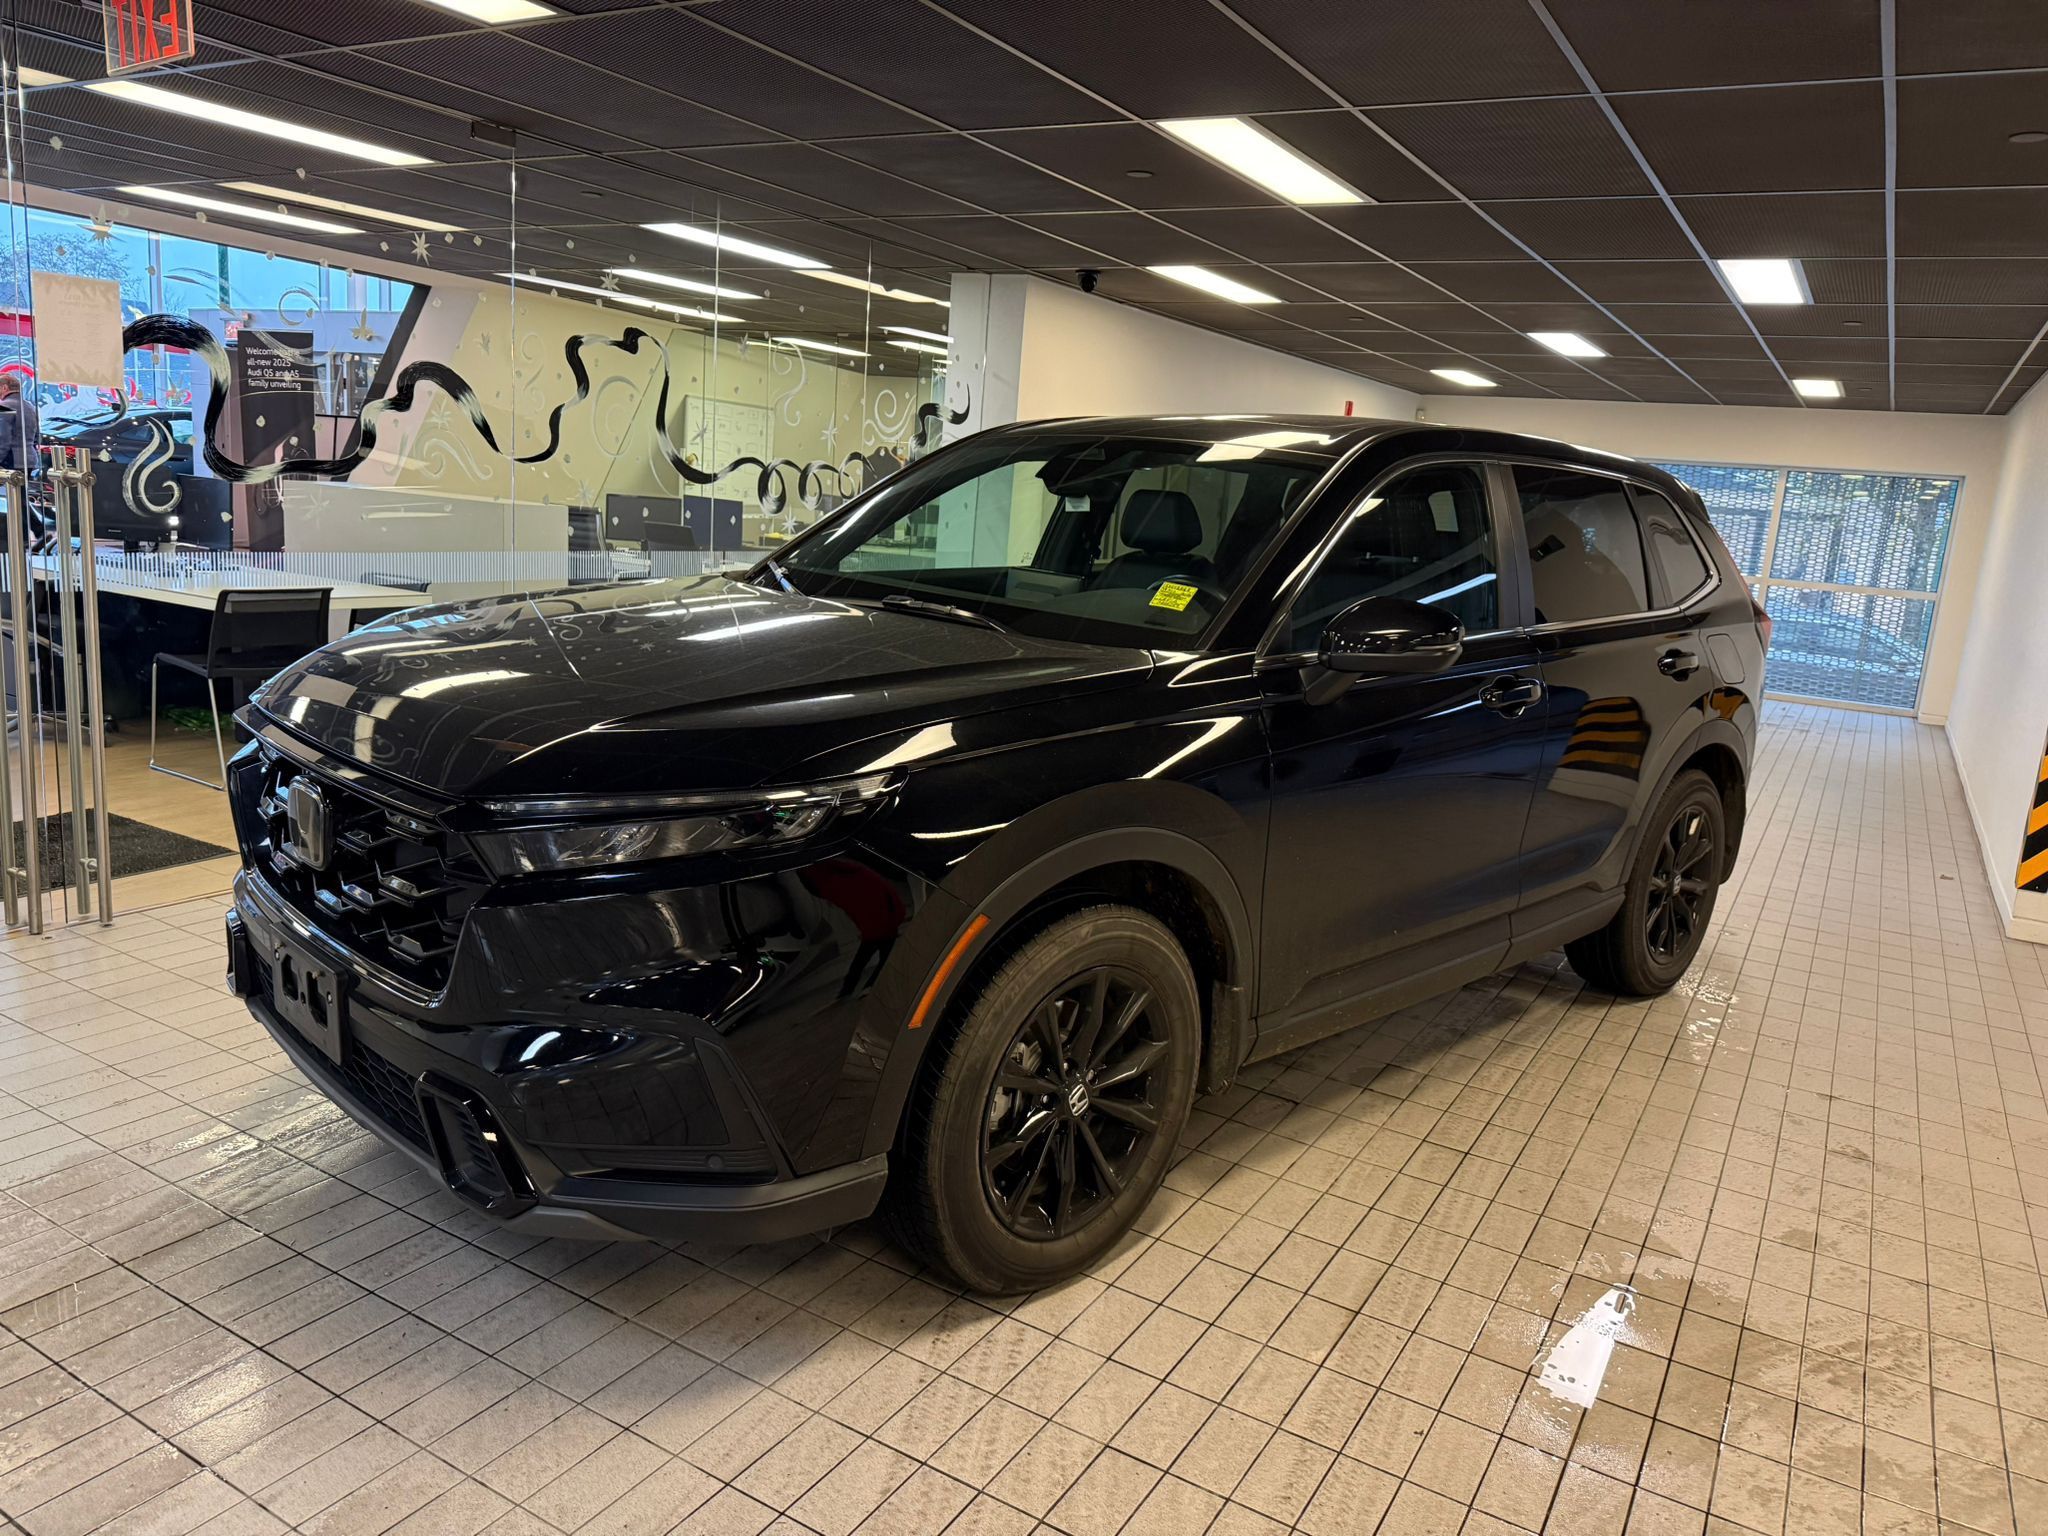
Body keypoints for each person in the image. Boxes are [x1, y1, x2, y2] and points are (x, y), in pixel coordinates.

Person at [0, 373, 39, 476]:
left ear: (4, 388)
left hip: (10, 461)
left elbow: (3, 438)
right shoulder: (30, 407)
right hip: (29, 460)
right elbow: (36, 436)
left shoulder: (4, 406)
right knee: (23, 487)